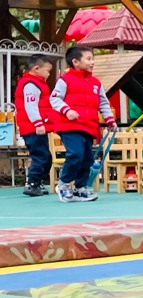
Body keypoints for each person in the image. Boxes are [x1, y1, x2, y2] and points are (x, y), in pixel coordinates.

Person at [49, 45, 115, 203]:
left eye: (93, 59)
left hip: (89, 126)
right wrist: (66, 110)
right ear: (75, 62)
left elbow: (103, 103)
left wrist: (109, 119)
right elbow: (54, 98)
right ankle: (64, 184)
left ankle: (80, 188)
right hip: (69, 126)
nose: (92, 62)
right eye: (89, 59)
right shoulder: (65, 80)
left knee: (87, 159)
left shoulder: (95, 83)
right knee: (75, 154)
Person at [14, 53, 56, 197]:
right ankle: (32, 183)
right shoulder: (31, 84)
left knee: (45, 156)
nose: (49, 74)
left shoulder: (38, 83)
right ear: (36, 68)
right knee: (40, 156)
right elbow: (30, 105)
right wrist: (38, 123)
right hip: (33, 127)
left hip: (36, 126)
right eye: (48, 71)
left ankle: (37, 182)